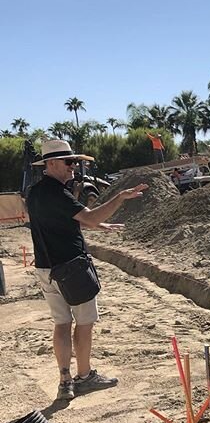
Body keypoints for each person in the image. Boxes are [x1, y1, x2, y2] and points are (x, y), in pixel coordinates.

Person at [28, 140, 149, 401]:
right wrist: (119, 197)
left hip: (46, 268)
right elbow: (91, 217)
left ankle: (65, 381)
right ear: (51, 164)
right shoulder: (59, 193)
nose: (74, 167)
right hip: (71, 268)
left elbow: (60, 224)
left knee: (61, 324)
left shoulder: (35, 192)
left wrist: (97, 227)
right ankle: (84, 377)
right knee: (84, 324)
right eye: (69, 162)